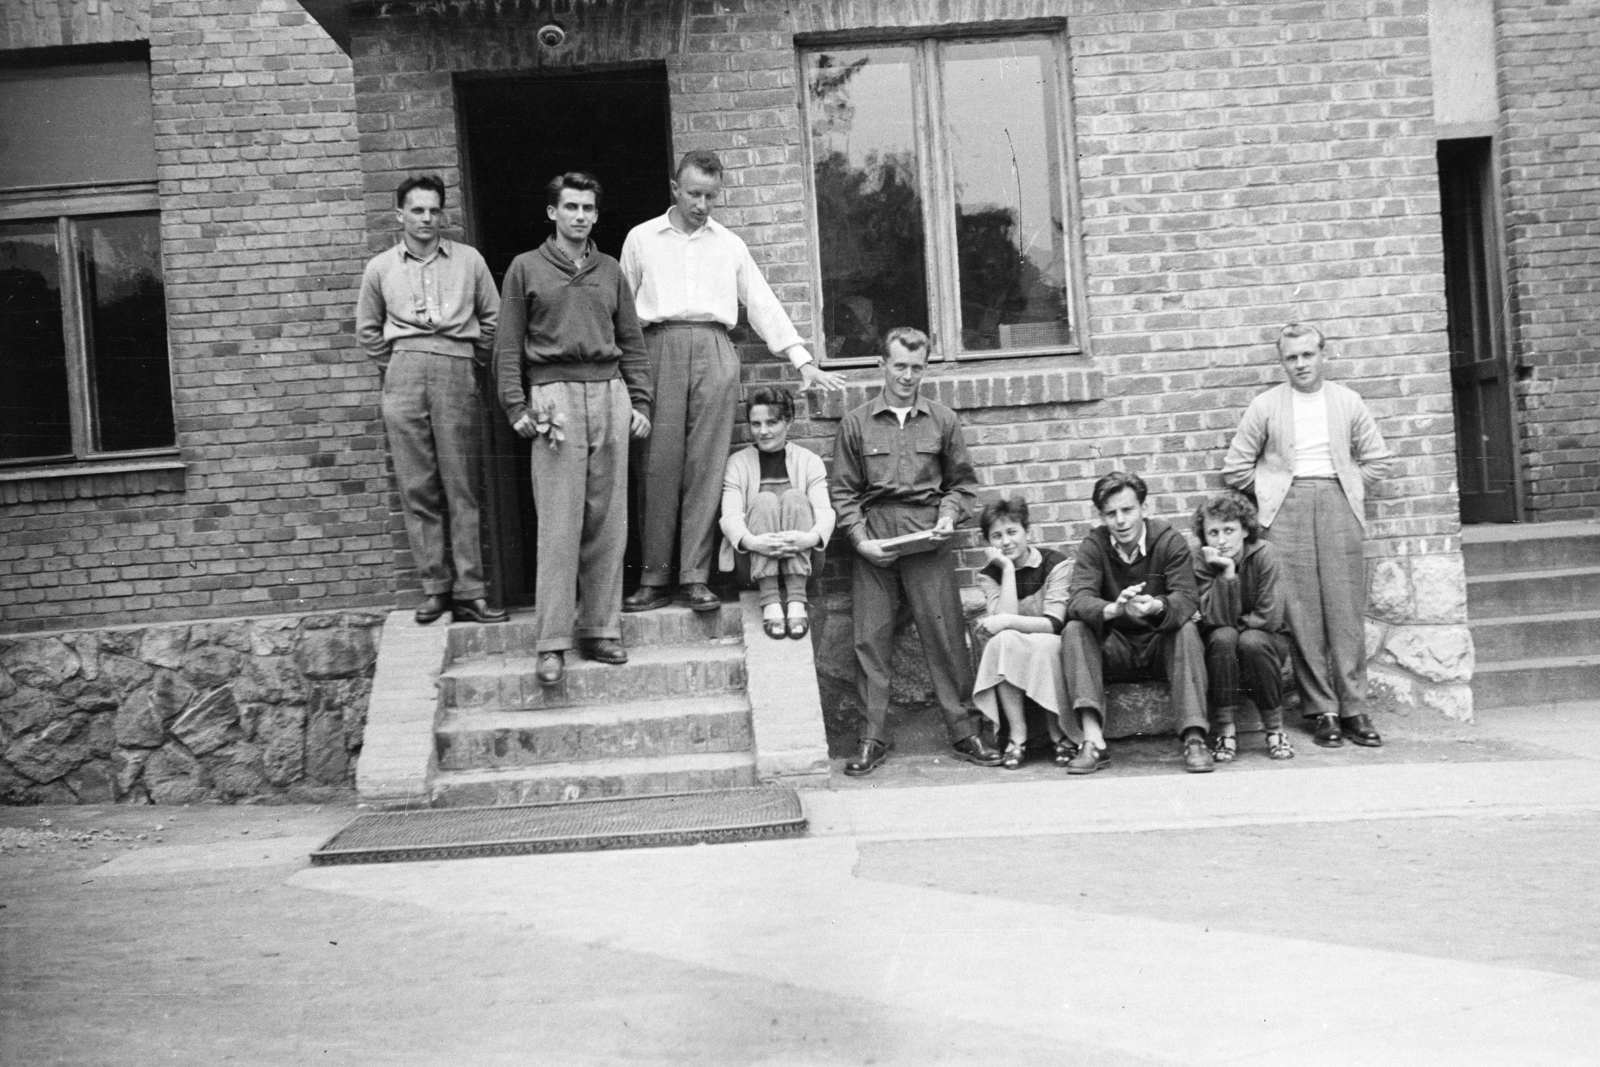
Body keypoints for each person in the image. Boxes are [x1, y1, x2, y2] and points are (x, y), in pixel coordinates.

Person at [620, 149, 846, 615]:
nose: (702, 204)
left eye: (711, 196)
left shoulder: (728, 244)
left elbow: (761, 303)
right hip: (657, 346)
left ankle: (695, 576)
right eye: (694, 194)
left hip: (713, 348)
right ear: (675, 189)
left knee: (706, 467)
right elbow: (622, 312)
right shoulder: (641, 238)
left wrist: (801, 359)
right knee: (658, 466)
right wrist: (623, 373)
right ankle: (654, 576)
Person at [493, 172, 652, 685]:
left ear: (596, 215)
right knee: (560, 523)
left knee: (609, 521)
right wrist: (517, 405)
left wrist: (641, 400)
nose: (580, 216)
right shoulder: (524, 268)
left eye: (588, 208)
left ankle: (601, 629)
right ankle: (552, 642)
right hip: (554, 398)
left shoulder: (609, 271)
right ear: (552, 213)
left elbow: (631, 340)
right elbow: (507, 345)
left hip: (609, 394)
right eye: (570, 207)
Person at [830, 327, 1002, 776]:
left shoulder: (943, 421)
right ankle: (872, 736)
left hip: (927, 535)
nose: (907, 376)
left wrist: (948, 516)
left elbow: (963, 485)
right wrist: (860, 538)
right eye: (900, 366)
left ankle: (965, 731)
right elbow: (843, 493)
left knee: (944, 635)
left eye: (917, 367)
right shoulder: (856, 424)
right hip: (877, 535)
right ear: (881, 365)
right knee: (870, 638)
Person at [1222, 323, 1393, 749]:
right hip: (1287, 510)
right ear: (1283, 362)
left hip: (1338, 503)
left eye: (1307, 355)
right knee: (1300, 613)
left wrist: (1347, 484)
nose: (1300, 364)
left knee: (1344, 610)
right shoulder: (1266, 405)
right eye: (1291, 358)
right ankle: (1323, 711)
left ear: (1323, 355)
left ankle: (1355, 707)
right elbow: (1235, 467)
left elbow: (1378, 460)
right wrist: (1273, 492)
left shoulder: (1347, 401)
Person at [356, 174, 505, 625]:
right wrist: (400, 365)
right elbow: (367, 330)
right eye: (417, 210)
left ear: (443, 213)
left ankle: (470, 590)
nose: (426, 218)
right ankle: (435, 588)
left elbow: (493, 320)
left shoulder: (469, 260)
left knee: (461, 483)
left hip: (456, 369)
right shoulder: (381, 267)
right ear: (399, 214)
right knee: (417, 484)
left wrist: (465, 361)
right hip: (402, 373)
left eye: (434, 210)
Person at [1061, 471, 1212, 775]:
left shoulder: (1169, 541)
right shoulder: (1094, 546)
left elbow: (1186, 598)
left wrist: (1157, 604)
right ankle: (1092, 741)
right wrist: (1113, 609)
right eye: (1111, 513)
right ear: (1102, 516)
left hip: (1160, 644)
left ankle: (1195, 738)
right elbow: (1078, 600)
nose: (1120, 521)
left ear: (1144, 508)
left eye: (1127, 510)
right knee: (1074, 629)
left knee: (1186, 629)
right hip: (1116, 649)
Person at [718, 387, 835, 640]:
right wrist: (754, 542)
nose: (763, 431)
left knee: (795, 497)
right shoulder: (738, 462)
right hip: (752, 563)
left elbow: (825, 512)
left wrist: (809, 538)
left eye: (771, 422)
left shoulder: (808, 460)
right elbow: (730, 516)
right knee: (764, 500)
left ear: (788, 421)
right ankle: (770, 601)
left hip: (803, 559)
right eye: (756, 424)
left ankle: (796, 601)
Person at [971, 497, 1075, 770]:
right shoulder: (989, 575)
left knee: (1043, 644)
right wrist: (1006, 570)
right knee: (1002, 642)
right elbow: (1001, 628)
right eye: (996, 536)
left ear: (1027, 532)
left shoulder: (1055, 563)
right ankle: (1018, 735)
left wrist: (1005, 620)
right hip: (1015, 644)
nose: (1005, 542)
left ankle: (1059, 732)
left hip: (1050, 641)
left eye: (1012, 532)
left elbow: (1054, 623)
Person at [1192, 491, 1295, 761]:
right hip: (1221, 647)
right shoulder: (1202, 561)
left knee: (1249, 640)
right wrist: (1226, 573)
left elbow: (1269, 617)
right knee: (1224, 637)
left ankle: (1275, 730)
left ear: (1246, 529)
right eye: (1213, 533)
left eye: (1229, 530)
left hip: (1266, 642)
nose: (1222, 540)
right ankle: (1226, 730)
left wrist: (1235, 624)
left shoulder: (1265, 554)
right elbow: (1211, 617)